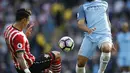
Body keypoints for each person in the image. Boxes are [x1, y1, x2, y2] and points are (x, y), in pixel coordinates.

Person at [3, 8, 61, 73]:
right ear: (23, 20)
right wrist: (27, 71)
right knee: (57, 54)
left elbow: (14, 45)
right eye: (28, 21)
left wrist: (25, 36)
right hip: (31, 65)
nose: (28, 23)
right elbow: (20, 57)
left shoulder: (8, 29)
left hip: (18, 67)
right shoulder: (19, 36)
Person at [76, 0, 115, 73]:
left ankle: (101, 71)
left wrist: (110, 39)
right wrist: (88, 30)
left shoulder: (104, 4)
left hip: (104, 35)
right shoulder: (82, 7)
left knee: (106, 48)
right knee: (80, 63)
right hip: (90, 36)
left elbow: (107, 21)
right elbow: (80, 23)